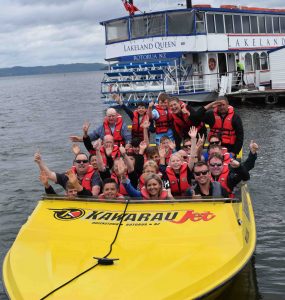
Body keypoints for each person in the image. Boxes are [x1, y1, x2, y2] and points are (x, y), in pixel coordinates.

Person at [34, 152, 101, 196]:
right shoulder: (68, 175)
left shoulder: (95, 175)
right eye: (78, 161)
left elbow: (94, 195)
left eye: (84, 161)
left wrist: (76, 184)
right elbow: (50, 175)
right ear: (74, 164)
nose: (81, 163)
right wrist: (40, 163)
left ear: (89, 163)